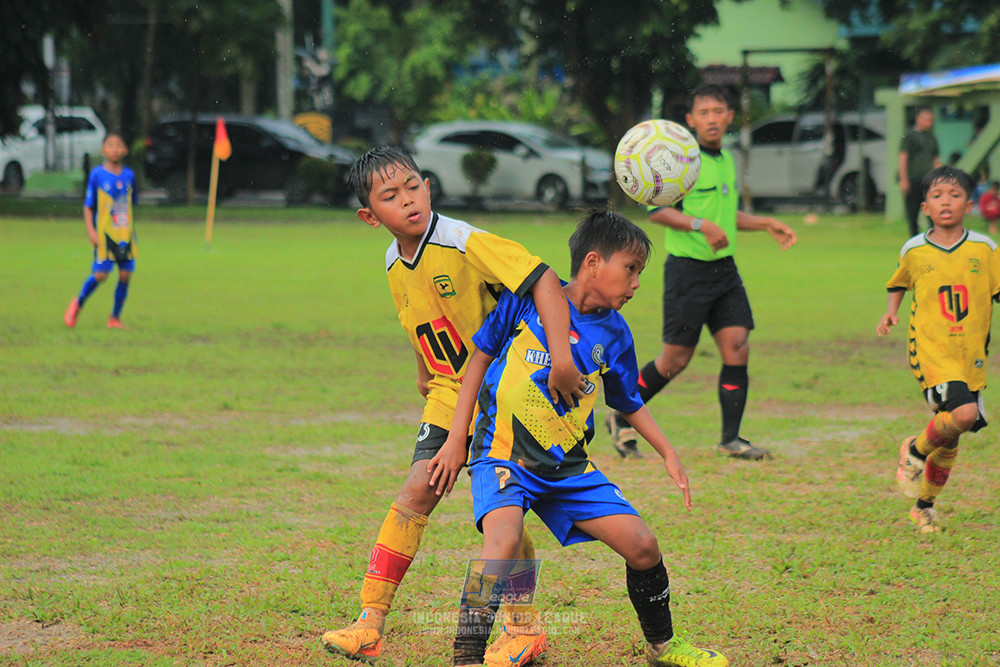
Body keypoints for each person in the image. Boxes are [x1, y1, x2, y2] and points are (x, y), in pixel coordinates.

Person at [320, 146, 587, 665]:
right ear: (370, 217)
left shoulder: (464, 241)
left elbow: (544, 279)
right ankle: (369, 623)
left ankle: (523, 628)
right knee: (417, 489)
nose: (408, 200)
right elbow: (420, 318)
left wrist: (559, 359)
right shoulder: (394, 261)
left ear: (427, 186)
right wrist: (423, 370)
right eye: (391, 196)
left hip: (502, 389)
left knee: (503, 514)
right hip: (449, 389)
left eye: (413, 187)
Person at [429, 211, 727, 667]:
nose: (636, 283)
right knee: (502, 542)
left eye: (639, 273)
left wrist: (667, 451)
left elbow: (628, 402)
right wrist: (456, 437)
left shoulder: (615, 332)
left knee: (643, 545)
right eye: (631, 268)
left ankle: (663, 647)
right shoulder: (524, 301)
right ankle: (466, 656)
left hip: (567, 468)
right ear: (592, 263)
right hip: (502, 457)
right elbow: (479, 359)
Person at [606, 84, 797, 461]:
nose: (712, 119)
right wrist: (701, 225)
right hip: (687, 272)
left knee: (737, 346)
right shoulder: (680, 163)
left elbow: (724, 216)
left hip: (725, 271)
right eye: (704, 112)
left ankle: (731, 439)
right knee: (674, 360)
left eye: (719, 111)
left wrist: (764, 224)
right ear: (690, 120)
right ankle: (621, 413)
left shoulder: (726, 160)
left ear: (730, 117)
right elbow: (658, 211)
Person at [877, 166, 1000, 533]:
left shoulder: (986, 249)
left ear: (969, 204)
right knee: (963, 414)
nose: (946, 202)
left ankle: (924, 506)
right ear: (925, 207)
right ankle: (914, 450)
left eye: (955, 195)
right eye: (937, 196)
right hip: (931, 349)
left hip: (971, 353)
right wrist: (891, 312)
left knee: (952, 432)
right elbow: (899, 282)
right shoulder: (914, 249)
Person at [64, 133, 138, 329]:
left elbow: (132, 203)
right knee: (101, 275)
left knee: (125, 275)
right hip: (105, 235)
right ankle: (78, 303)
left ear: (125, 150)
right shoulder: (97, 175)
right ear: (104, 150)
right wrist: (91, 231)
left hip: (125, 235)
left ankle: (114, 318)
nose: (115, 149)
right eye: (110, 145)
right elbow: (89, 206)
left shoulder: (129, 176)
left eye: (118, 145)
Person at [898, 108, 941, 237]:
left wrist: (939, 178)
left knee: (932, 211)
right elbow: (903, 157)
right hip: (914, 179)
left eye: (930, 120)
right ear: (918, 119)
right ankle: (914, 239)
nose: (928, 123)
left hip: (929, 181)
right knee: (913, 211)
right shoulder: (910, 136)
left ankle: (934, 238)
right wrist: (904, 179)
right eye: (926, 120)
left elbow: (936, 159)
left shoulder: (931, 137)